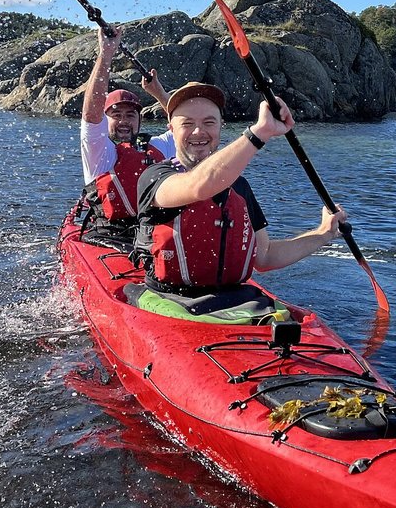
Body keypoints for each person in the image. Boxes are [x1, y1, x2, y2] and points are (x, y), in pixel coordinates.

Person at [131, 81, 346, 323]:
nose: (198, 132)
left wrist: (323, 234)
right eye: (187, 124)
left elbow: (264, 257)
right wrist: (260, 132)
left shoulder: (239, 186)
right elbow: (199, 186)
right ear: (172, 129)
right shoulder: (155, 177)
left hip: (234, 300)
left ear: (221, 126)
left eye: (208, 123)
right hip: (170, 299)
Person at [77, 25, 173, 247]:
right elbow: (91, 113)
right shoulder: (99, 153)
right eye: (116, 114)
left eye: (131, 115)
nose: (124, 120)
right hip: (111, 237)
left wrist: (158, 93)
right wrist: (106, 53)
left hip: (156, 236)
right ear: (105, 120)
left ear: (140, 120)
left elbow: (183, 126)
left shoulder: (160, 147)